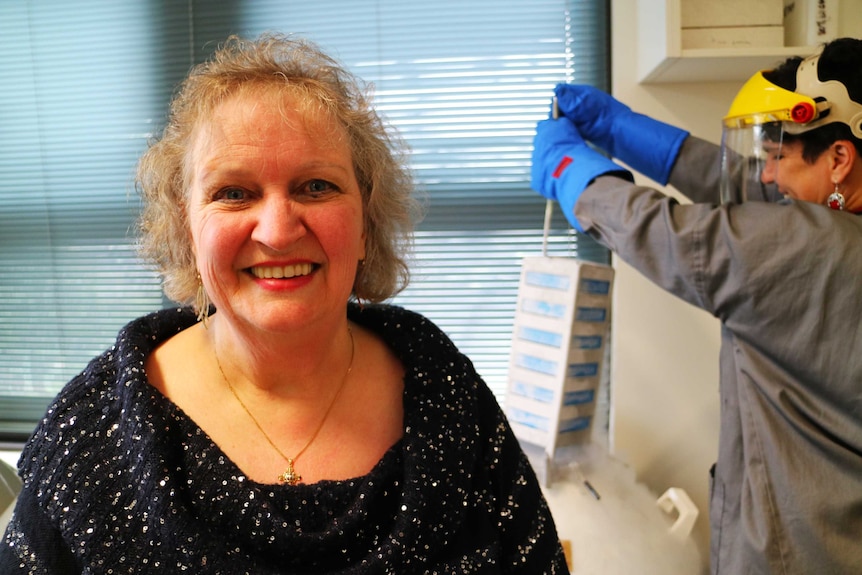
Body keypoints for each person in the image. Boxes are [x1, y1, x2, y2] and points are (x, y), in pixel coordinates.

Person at [0, 33, 568, 574]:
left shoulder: (452, 401)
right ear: (186, 228)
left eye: (316, 186)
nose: (276, 230)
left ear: (366, 221)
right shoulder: (94, 430)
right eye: (233, 193)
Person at [531, 37, 862, 574]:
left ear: (839, 158)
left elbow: (672, 238)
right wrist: (625, 131)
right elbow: (745, 186)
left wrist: (571, 171)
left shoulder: (817, 246)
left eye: (777, 156)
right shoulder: (838, 229)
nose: (768, 174)